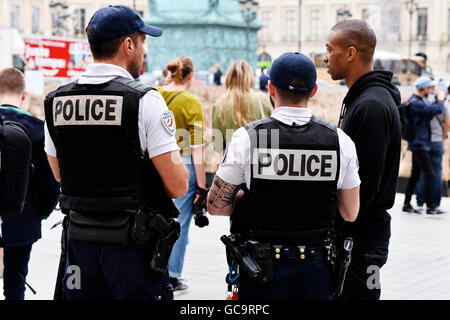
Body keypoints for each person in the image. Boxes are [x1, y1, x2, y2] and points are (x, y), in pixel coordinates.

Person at [43, 5, 189, 300]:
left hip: (79, 242)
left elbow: (61, 174)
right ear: (129, 44)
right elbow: (177, 185)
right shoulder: (144, 100)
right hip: (132, 246)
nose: (145, 52)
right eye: (143, 42)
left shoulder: (55, 100)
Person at [207, 52, 361, 300]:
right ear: (313, 91)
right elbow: (350, 212)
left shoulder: (247, 138)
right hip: (316, 268)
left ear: (270, 88)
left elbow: (215, 207)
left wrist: (243, 199)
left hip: (260, 269)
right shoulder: (340, 141)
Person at [323, 19, 402, 300]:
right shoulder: (366, 99)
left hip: (361, 241)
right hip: (361, 238)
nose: (324, 57)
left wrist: (338, 225)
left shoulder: (371, 106)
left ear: (351, 53)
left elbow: (365, 182)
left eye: (329, 49)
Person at [0, 67, 60, 300]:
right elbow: (52, 182)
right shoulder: (38, 129)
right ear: (24, 95)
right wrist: (40, 214)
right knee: (16, 283)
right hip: (22, 218)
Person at [157, 56, 206, 293]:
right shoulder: (191, 102)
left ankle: (151, 269)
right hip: (182, 162)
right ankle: (173, 276)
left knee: (153, 217)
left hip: (154, 161)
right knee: (180, 222)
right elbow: (197, 146)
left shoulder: (153, 94)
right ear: (189, 76)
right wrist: (203, 185)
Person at [402, 76, 445, 214]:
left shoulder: (416, 101)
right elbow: (436, 110)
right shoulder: (417, 103)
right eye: (430, 88)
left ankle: (407, 204)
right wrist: (441, 99)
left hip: (419, 143)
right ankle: (430, 206)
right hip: (419, 144)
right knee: (430, 174)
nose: (431, 90)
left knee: (415, 175)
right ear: (424, 88)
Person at [212, 60, 272, 152]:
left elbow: (218, 146)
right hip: (260, 162)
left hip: (232, 162)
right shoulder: (263, 100)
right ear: (250, 77)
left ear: (229, 77)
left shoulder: (219, 105)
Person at [415, 84, 450, 213]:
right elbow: (447, 123)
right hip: (436, 141)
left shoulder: (425, 103)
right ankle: (435, 203)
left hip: (424, 142)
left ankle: (420, 201)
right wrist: (443, 136)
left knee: (422, 172)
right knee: (436, 172)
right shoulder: (444, 105)